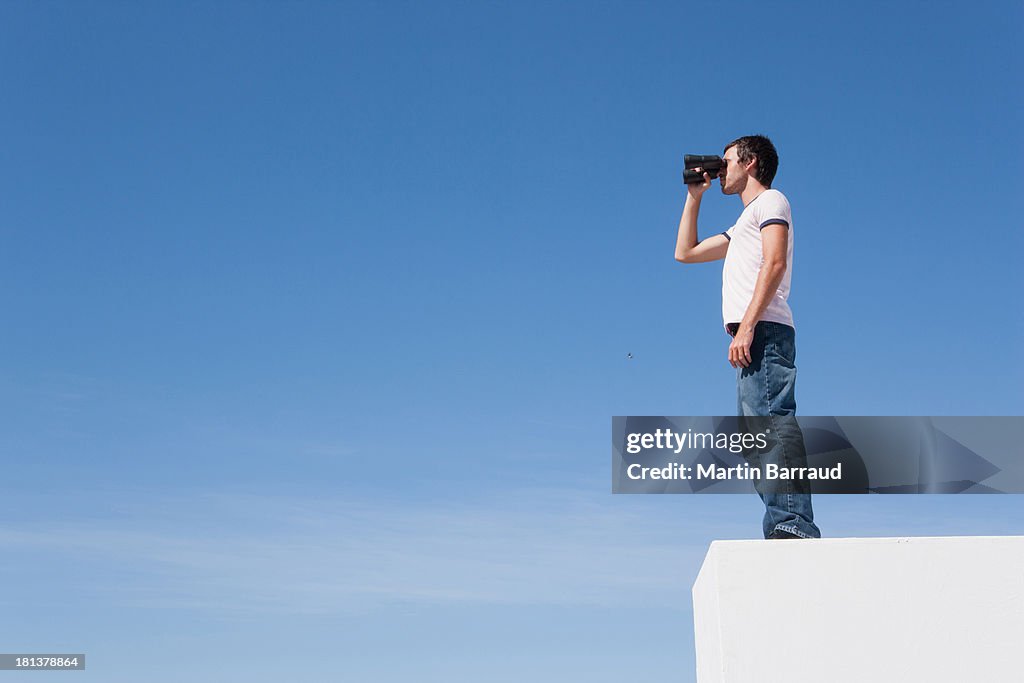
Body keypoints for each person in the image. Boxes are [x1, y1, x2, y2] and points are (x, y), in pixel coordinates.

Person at [674, 135, 821, 540]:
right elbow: (684, 252)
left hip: (764, 330)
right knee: (757, 438)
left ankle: (792, 525)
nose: (722, 170)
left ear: (750, 162)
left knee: (773, 426)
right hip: (752, 333)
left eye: (726, 162)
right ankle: (784, 523)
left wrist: (749, 325)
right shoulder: (742, 223)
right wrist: (695, 195)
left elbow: (774, 263)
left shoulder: (773, 202)